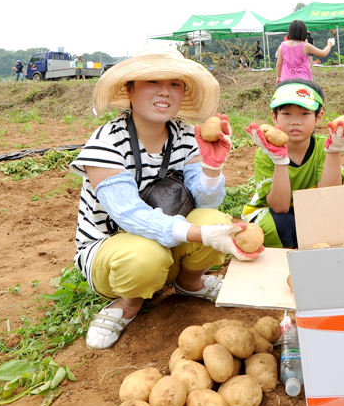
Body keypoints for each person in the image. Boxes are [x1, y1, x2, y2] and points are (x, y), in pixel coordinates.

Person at [72, 48, 259, 350]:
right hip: (117, 257)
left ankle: (189, 283)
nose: (165, 92)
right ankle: (128, 303)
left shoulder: (185, 135)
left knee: (215, 220)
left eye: (175, 84)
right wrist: (200, 234)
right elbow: (129, 214)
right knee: (147, 256)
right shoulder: (106, 142)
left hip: (167, 247)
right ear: (129, 89)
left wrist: (211, 169)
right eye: (152, 82)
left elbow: (206, 203)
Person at [241, 79, 344, 248]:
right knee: (283, 224)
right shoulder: (265, 153)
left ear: (318, 117)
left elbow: (328, 197)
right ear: (274, 117)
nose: (295, 121)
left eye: (305, 114)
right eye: (286, 114)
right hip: (269, 213)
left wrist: (334, 151)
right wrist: (280, 160)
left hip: (309, 210)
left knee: (342, 219)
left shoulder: (323, 147)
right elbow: (280, 206)